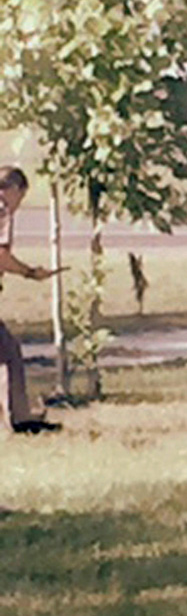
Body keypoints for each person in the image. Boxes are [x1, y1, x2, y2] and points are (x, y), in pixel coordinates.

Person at [0, 166, 61, 433]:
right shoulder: (2, 211)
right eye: (21, 198)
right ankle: (20, 422)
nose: (18, 206)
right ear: (14, 190)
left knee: (7, 352)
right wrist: (30, 273)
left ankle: (18, 418)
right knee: (9, 353)